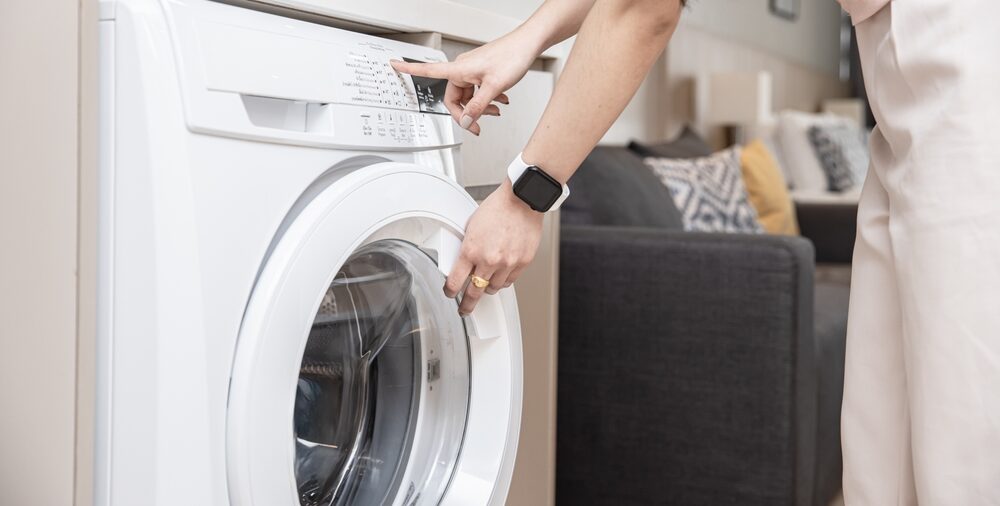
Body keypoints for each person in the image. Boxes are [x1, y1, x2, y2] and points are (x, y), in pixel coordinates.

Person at [395, 0, 1000, 503]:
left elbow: (644, 9)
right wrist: (526, 38)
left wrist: (527, 195)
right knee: (884, 447)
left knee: (963, 443)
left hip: (963, 88)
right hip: (909, 97)